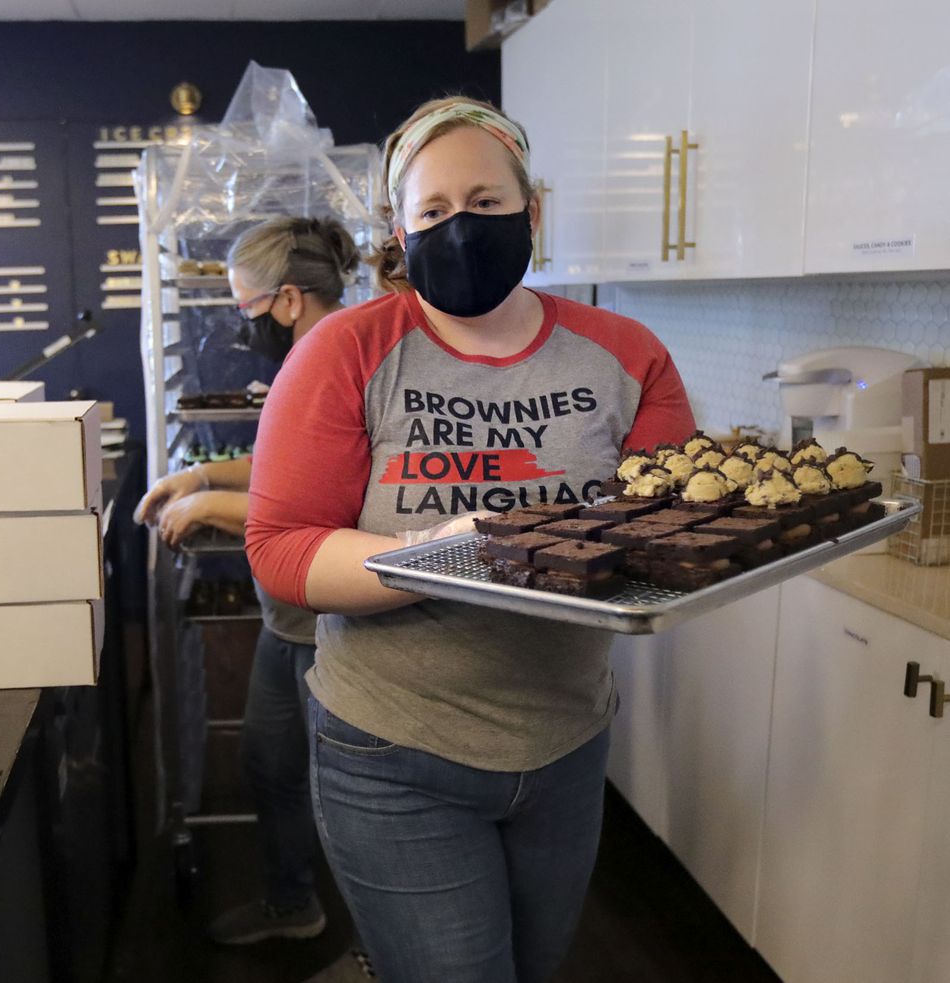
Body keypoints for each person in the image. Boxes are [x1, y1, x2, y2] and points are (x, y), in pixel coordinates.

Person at [245, 97, 696, 983]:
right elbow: (283, 547)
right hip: (393, 751)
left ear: (533, 211)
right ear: (400, 227)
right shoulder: (346, 352)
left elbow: (662, 531)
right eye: (434, 210)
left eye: (487, 204)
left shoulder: (625, 354)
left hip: (567, 741)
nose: (462, 226)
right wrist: (459, 545)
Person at [135, 217, 369, 960]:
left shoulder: (341, 366)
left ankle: (381, 943)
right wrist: (202, 476)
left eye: (247, 310)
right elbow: (276, 468)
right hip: (288, 622)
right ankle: (292, 901)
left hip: (331, 628)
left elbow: (322, 510)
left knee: (350, 791)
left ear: (290, 298)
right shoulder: (307, 361)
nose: (244, 328)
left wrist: (209, 507)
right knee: (270, 764)